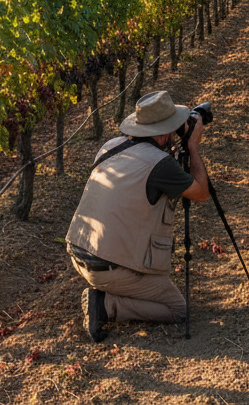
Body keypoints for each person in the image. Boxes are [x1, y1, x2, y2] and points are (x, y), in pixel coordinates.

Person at [66, 89, 210, 341]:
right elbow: (200, 193)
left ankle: (109, 290)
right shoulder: (161, 165)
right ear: (166, 132)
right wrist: (193, 147)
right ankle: (105, 304)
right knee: (177, 309)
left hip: (78, 253)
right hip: (107, 269)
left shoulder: (110, 146)